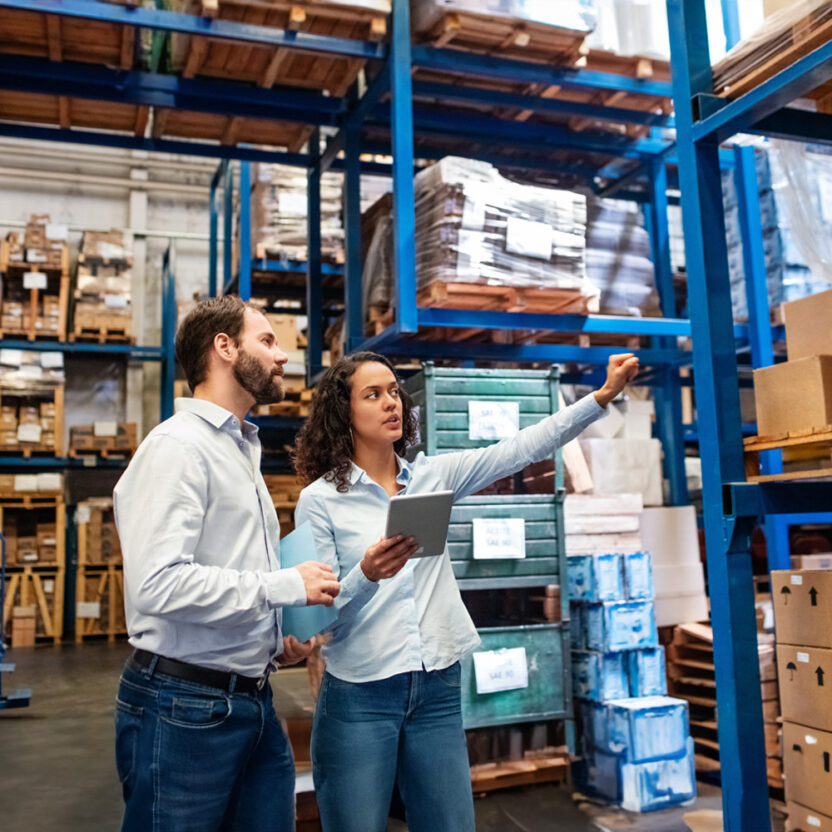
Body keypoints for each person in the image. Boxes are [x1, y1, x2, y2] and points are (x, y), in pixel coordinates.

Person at [292, 350, 639, 832]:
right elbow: (320, 617)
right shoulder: (320, 501)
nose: (391, 402)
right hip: (360, 694)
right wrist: (366, 574)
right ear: (342, 413)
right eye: (373, 395)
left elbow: (521, 447)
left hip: (437, 684)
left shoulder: (433, 476)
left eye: (394, 391)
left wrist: (600, 398)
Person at [112, 295, 341, 832]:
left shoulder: (238, 448)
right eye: (267, 341)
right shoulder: (178, 448)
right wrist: (283, 588)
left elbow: (228, 568)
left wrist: (271, 637)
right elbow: (157, 585)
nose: (282, 356)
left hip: (251, 700)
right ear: (224, 348)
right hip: (184, 707)